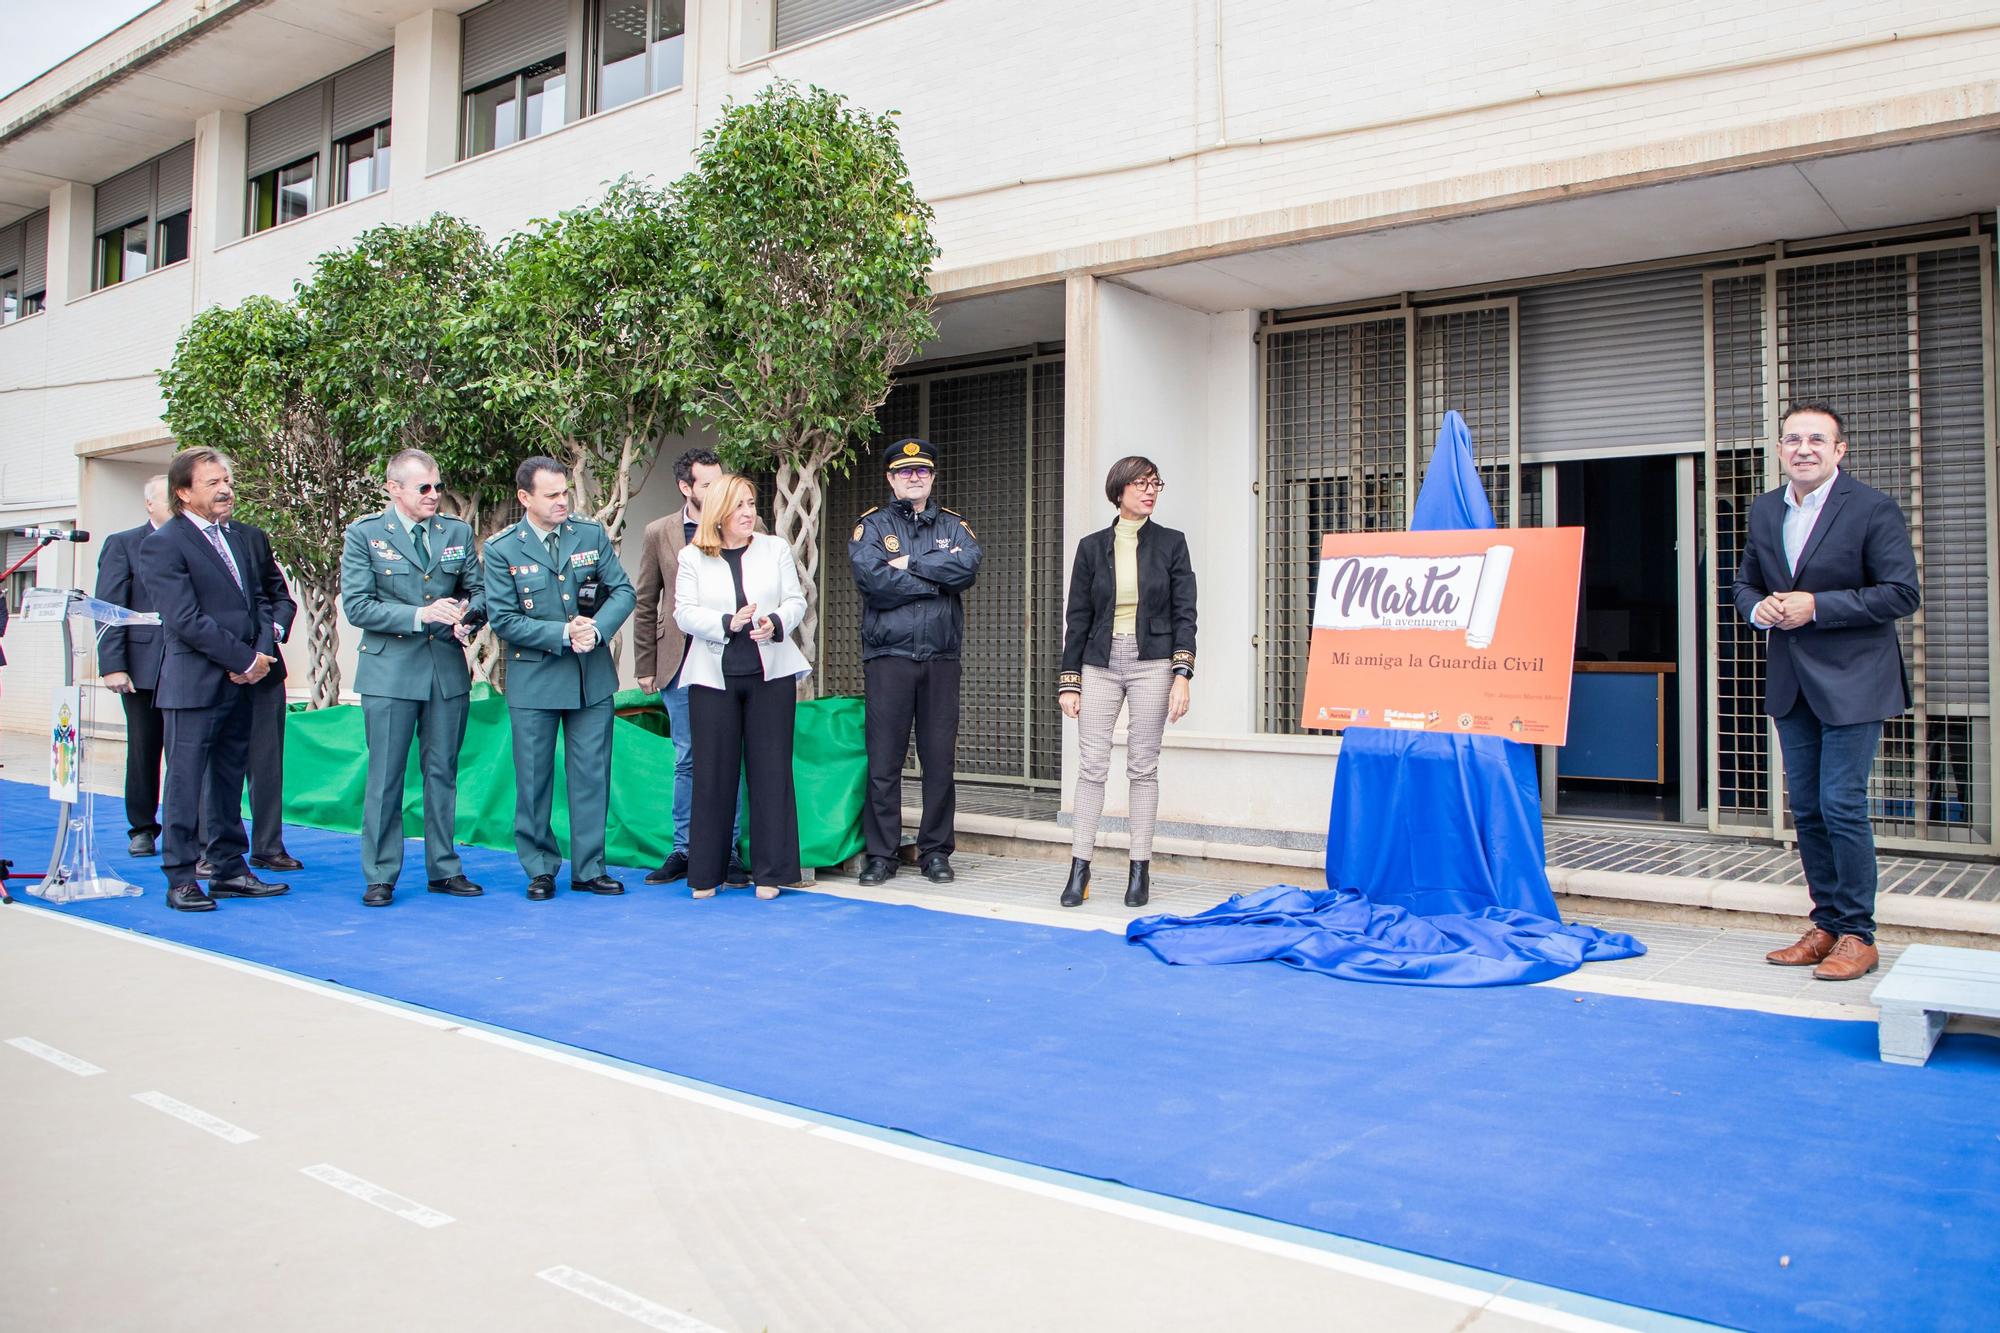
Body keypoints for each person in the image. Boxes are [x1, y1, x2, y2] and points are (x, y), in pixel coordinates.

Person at [1733, 402, 1920, 982]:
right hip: (1793, 682)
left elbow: (1900, 593)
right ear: (1781, 450)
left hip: (1856, 680)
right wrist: (1759, 609)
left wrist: (1817, 606)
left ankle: (1859, 936)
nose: (1804, 448)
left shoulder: (1871, 508)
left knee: (1842, 804)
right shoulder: (1766, 510)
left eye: (1818, 439)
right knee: (1809, 809)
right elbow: (1744, 582)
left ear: (1840, 451)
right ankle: (1827, 925)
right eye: (1793, 439)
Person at [136, 448, 288, 912]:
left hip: (245, 680)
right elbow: (184, 618)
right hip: (195, 684)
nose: (225, 490)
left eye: (227, 481)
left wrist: (261, 654)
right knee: (184, 783)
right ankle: (182, 877)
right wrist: (242, 658)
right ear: (182, 493)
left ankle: (229, 869)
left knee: (227, 778)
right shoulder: (164, 543)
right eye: (212, 483)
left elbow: (261, 599)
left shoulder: (241, 538)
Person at [483, 456, 636, 900]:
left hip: (591, 677)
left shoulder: (588, 534)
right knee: (533, 778)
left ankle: (590, 867)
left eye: (564, 492)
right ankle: (540, 867)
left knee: (592, 775)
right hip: (536, 680)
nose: (561, 501)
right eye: (551, 495)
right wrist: (562, 634)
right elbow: (504, 619)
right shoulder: (503, 548)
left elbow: (622, 590)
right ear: (524, 498)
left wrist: (598, 628)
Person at [339, 448, 486, 908]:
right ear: (394, 489)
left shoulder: (456, 531)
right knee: (385, 776)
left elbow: (476, 589)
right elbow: (358, 605)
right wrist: (421, 614)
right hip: (389, 671)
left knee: (442, 773)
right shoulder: (364, 534)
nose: (433, 495)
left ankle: (444, 868)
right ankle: (381, 873)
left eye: (436, 486)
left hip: (445, 668)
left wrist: (469, 616)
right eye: (423, 487)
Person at [1056, 455, 1196, 910]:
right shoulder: (1091, 546)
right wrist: (1069, 680)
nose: (1150, 491)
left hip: (1153, 662)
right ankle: (1080, 867)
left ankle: (1140, 868)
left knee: (1142, 766)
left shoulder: (1172, 544)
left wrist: (1182, 674)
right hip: (1099, 661)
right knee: (1092, 766)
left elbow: (1185, 614)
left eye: (1155, 483)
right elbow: (1077, 616)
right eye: (1141, 484)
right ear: (1118, 491)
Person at [848, 437, 983, 886]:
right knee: (884, 762)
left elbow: (966, 569)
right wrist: (933, 579)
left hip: (941, 659)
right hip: (889, 657)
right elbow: (873, 582)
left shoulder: (954, 526)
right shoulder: (871, 527)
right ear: (890, 478)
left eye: (922, 471)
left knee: (939, 762)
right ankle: (882, 854)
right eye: (904, 472)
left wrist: (907, 563)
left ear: (933, 477)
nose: (914, 478)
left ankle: (935, 852)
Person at [673, 474, 810, 899]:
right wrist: (725, 623)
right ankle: (706, 874)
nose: (749, 513)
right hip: (713, 679)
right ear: (718, 513)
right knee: (713, 775)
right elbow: (683, 613)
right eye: (739, 506)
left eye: (752, 504)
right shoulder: (691, 557)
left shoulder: (776, 549)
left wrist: (775, 622)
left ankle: (771, 874)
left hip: (770, 675)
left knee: (771, 774)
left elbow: (796, 599)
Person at [632, 447, 748, 887]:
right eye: (707, 484)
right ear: (686, 487)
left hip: (732, 659)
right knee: (688, 757)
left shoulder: (745, 526)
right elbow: (646, 601)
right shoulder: (659, 531)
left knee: (727, 755)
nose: (718, 491)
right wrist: (645, 663)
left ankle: (729, 850)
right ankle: (685, 849)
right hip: (678, 662)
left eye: (721, 482)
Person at [95, 474, 172, 856]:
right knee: (144, 749)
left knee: (188, 753)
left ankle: (184, 826)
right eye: (168, 499)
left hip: (190, 665)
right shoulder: (124, 544)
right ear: (149, 504)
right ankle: (142, 827)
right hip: (142, 667)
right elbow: (110, 609)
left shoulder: (196, 542)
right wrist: (112, 664)